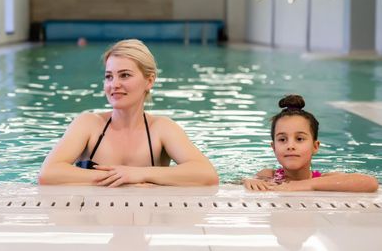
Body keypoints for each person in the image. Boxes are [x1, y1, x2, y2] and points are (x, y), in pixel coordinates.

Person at [38, 39, 219, 186]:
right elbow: (48, 174)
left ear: (149, 81)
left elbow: (206, 174)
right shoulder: (88, 124)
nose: (114, 84)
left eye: (124, 75)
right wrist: (119, 178)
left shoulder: (161, 129)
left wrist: (139, 174)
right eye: (109, 76)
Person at [244, 94, 379, 192]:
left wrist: (304, 185)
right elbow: (237, 182)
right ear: (273, 148)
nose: (290, 146)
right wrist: (247, 181)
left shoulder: (325, 178)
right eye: (282, 139)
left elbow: (370, 183)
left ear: (315, 147)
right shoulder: (269, 175)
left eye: (300, 139)